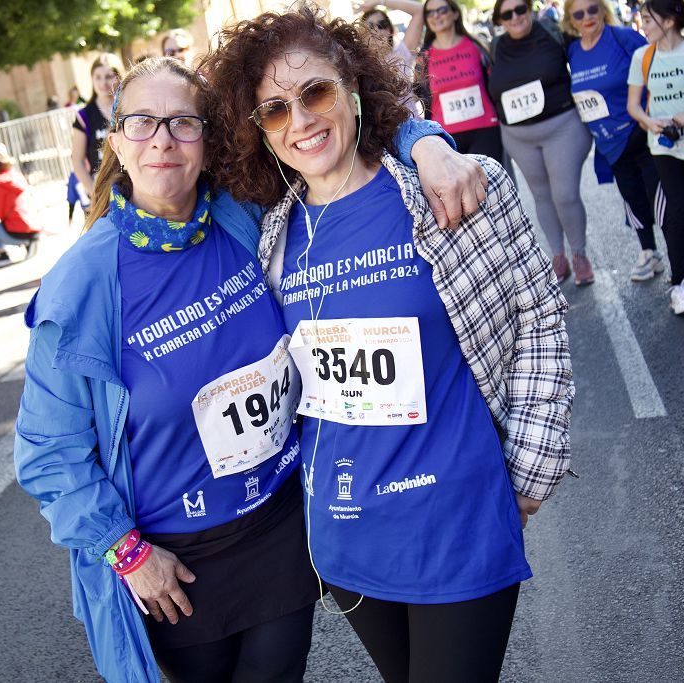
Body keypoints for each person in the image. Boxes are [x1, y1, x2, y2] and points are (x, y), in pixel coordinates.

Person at [14, 52, 486, 683]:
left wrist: (427, 143)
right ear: (116, 141)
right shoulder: (82, 285)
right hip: (175, 567)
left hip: (279, 532)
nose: (163, 140)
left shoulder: (244, 215)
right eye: (142, 123)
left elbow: (334, 131)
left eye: (184, 123)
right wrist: (125, 553)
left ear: (210, 143)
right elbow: (48, 451)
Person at [203, 4, 573, 681]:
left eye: (314, 92)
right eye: (276, 110)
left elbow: (540, 322)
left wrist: (530, 472)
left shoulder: (453, 187)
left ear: (352, 86)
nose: (302, 121)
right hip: (348, 542)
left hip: (456, 523)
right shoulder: (272, 240)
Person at [489, 0, 595, 284]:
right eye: (507, 13)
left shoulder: (553, 32)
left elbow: (587, 55)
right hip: (518, 137)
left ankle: (580, 254)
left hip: (562, 128)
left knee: (565, 194)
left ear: (530, 9)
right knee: (541, 196)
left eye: (520, 9)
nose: (515, 17)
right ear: (499, 19)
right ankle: (558, 255)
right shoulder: (495, 46)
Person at [566, 0, 667, 282]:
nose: (587, 17)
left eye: (592, 10)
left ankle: (679, 264)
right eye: (579, 13)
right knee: (632, 197)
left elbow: (655, 66)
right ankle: (649, 253)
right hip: (610, 142)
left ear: (602, 10)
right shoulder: (573, 51)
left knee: (661, 197)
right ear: (570, 20)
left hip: (642, 130)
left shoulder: (622, 38)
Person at [627, 0, 684, 313]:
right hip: (664, 146)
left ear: (669, 20)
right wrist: (649, 121)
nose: (643, 27)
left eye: (648, 20)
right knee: (677, 210)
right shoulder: (643, 56)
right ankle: (680, 281)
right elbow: (634, 105)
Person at [421, 0, 505, 162]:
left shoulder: (476, 46)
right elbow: (423, 99)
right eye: (429, 13)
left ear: (455, 14)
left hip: (485, 130)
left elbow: (495, 84)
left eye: (442, 10)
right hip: (446, 138)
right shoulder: (424, 57)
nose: (436, 16)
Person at [71, 54, 123, 212]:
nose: (103, 82)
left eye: (109, 76)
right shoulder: (84, 116)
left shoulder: (128, 108)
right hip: (102, 192)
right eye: (98, 77)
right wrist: (95, 194)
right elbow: (77, 160)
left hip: (132, 189)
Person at [0, 146, 42, 262]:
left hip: (18, 231)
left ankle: (3, 254)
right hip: (33, 226)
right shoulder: (16, 175)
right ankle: (29, 242)